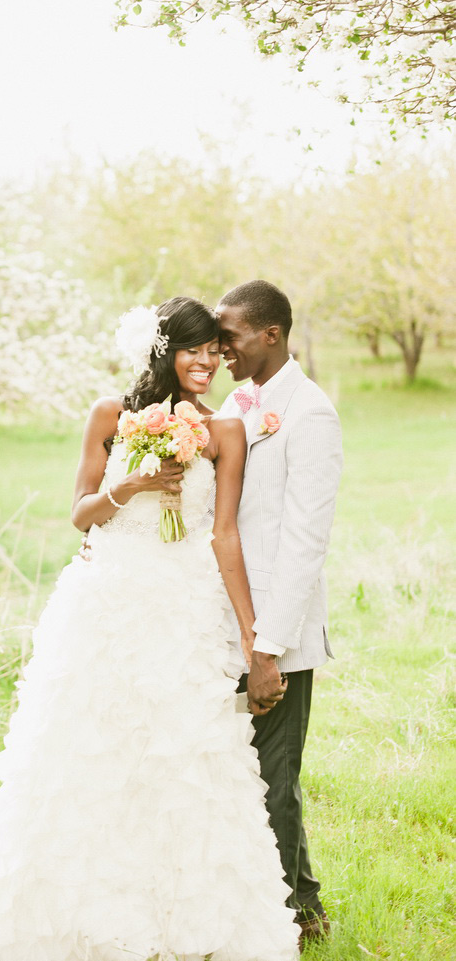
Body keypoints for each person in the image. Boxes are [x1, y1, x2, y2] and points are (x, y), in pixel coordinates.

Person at [0, 296, 299, 961]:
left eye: (213, 350)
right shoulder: (110, 416)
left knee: (185, 759)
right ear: (162, 349)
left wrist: (253, 635)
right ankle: (78, 912)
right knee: (91, 755)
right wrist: (138, 483)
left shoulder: (226, 430)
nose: (206, 361)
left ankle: (181, 920)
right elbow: (82, 512)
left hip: (185, 612)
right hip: (109, 604)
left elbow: (223, 534)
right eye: (192, 349)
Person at [216, 280, 343, 951]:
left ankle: (298, 914)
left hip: (276, 639)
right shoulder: (237, 404)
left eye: (230, 334)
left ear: (271, 333)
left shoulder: (311, 414)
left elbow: (303, 543)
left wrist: (267, 649)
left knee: (273, 779)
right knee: (239, 774)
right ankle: (277, 905)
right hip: (223, 627)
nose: (220, 347)